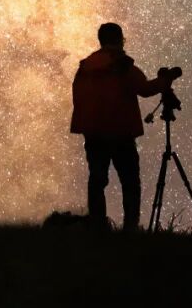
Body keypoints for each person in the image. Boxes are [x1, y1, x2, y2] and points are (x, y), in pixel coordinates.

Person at [70, 22, 179, 231]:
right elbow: (145, 89)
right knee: (130, 181)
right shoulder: (122, 65)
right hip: (120, 132)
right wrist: (165, 81)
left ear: (101, 40)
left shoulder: (86, 66)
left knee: (97, 179)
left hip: (94, 132)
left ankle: (97, 226)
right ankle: (130, 227)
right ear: (120, 40)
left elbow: (78, 98)